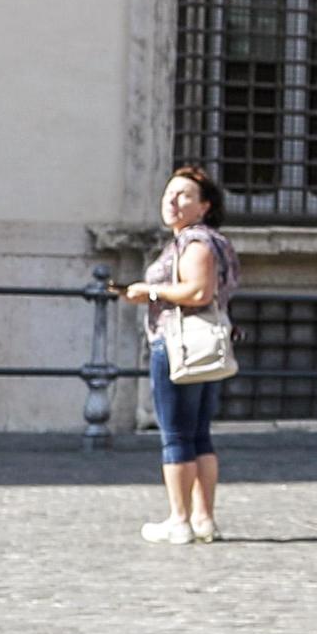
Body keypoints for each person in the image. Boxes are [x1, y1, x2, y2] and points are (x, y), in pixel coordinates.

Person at [122, 164, 237, 544]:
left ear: (204, 206)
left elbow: (198, 292)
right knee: (199, 435)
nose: (172, 200)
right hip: (202, 346)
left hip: (179, 345)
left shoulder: (195, 242)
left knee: (176, 436)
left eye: (184, 194)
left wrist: (148, 292)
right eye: (169, 193)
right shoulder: (211, 240)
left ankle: (179, 519)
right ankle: (203, 519)